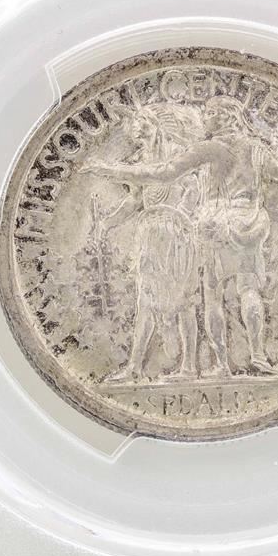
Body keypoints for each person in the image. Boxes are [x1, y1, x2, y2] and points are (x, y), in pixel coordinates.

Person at [85, 95, 278, 376]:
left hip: (215, 223)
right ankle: (258, 354)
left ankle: (222, 364)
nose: (204, 117)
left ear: (226, 117)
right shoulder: (257, 149)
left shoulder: (210, 148)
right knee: (249, 288)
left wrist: (111, 170)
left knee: (213, 295)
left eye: (210, 113)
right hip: (250, 220)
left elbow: (166, 172)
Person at [95, 105, 202, 381]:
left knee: (184, 301)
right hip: (150, 233)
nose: (137, 132)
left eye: (141, 124)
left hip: (178, 233)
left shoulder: (178, 154)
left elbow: (192, 187)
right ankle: (134, 367)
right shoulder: (140, 161)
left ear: (155, 124)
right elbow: (134, 200)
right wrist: (108, 222)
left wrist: (181, 215)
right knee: (146, 299)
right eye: (135, 129)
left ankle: (189, 367)